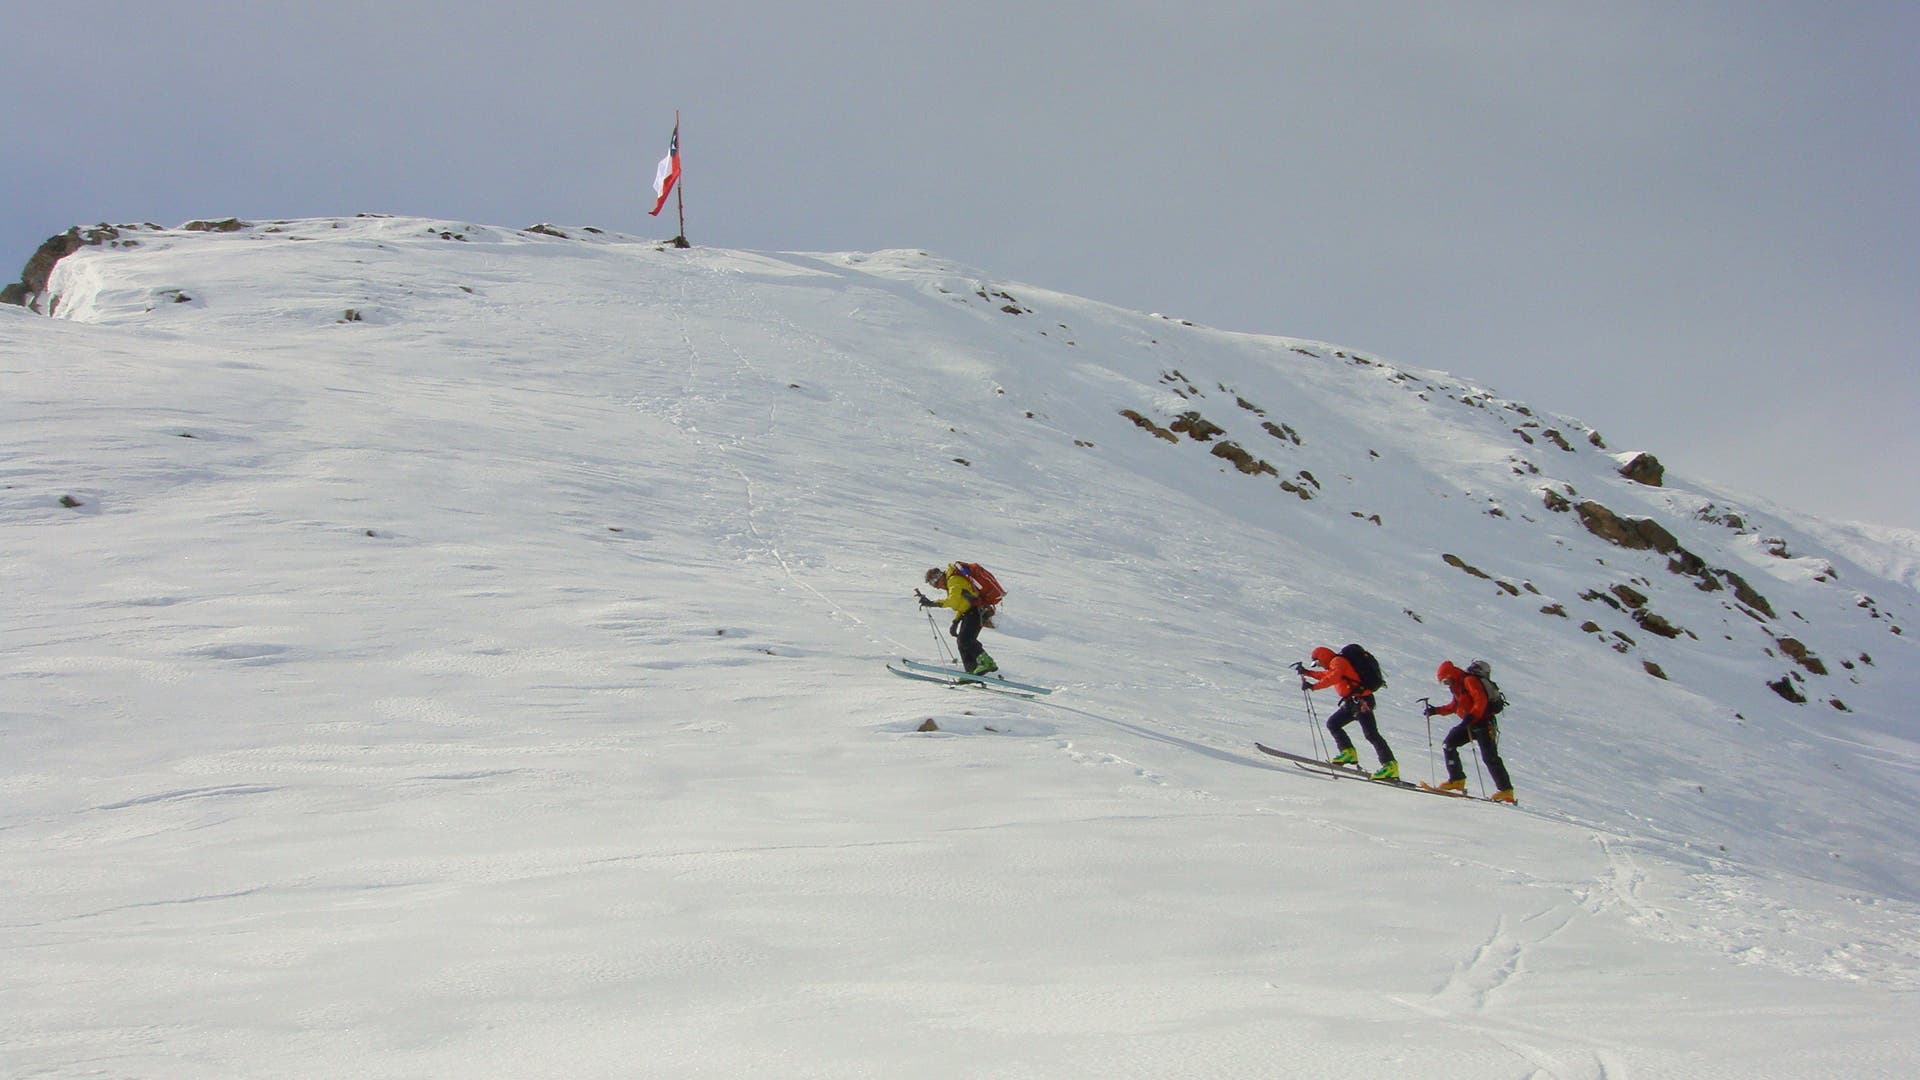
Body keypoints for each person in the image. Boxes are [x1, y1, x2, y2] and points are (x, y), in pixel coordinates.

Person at [1296, 646, 1397, 780]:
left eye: (1318, 662)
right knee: (1333, 723)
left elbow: (1333, 677)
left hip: (1361, 702)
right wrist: (1308, 673)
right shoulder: (1335, 663)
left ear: (1322, 657)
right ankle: (1348, 753)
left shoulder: (1338, 661)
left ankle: (1390, 765)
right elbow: (1327, 675)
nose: (1319, 666)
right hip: (1352, 702)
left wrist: (1313, 686)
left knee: (1371, 733)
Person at [1426, 660, 1516, 803]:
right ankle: (1457, 779)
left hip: (1483, 723)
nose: (1445, 683)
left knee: (1489, 757)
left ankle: (1506, 790)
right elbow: (1454, 706)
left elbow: (1480, 701)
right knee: (1449, 744)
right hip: (1470, 723)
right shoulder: (1456, 686)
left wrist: (1472, 716)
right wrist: (1436, 711)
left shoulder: (1469, 681)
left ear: (1451, 675)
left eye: (1445, 679)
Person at [918, 566, 997, 676]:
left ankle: (987, 662)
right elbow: (962, 604)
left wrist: (932, 603)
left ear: (939, 578)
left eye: (934, 583)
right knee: (962, 642)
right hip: (971, 612)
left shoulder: (954, 580)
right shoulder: (951, 583)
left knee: (965, 640)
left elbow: (953, 601)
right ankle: (971, 672)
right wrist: (955, 622)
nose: (936, 587)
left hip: (976, 611)